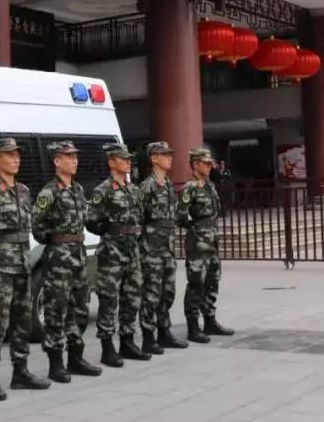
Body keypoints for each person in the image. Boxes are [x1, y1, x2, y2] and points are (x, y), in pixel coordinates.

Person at [0, 137, 50, 400]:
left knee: (23, 321)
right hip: (1, 269)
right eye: (10, 155)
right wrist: (1, 251)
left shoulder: (24, 191)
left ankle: (21, 372)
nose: (16, 159)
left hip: (23, 265)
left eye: (17, 155)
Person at [32, 141, 102, 382]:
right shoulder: (49, 192)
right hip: (59, 257)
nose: (74, 161)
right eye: (68, 157)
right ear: (56, 161)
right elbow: (37, 227)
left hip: (78, 255)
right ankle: (55, 363)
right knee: (56, 309)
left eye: (75, 157)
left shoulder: (78, 189)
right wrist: (57, 241)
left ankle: (76, 357)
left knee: (79, 307)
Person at [85, 142, 150, 367]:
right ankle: (107, 348)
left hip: (132, 251)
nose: (128, 162)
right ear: (112, 162)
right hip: (112, 252)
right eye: (123, 159)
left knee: (132, 298)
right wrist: (109, 230)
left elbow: (141, 217)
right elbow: (91, 220)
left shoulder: (134, 190)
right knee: (109, 300)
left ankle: (127, 342)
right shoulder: (102, 190)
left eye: (129, 159)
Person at [178, 147, 234, 343]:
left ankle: (210, 321)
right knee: (196, 283)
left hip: (212, 242)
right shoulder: (190, 188)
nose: (210, 166)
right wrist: (196, 229)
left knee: (212, 281)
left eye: (211, 163)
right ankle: (193, 327)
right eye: (206, 163)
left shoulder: (209, 185)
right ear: (195, 164)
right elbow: (180, 216)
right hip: (198, 244)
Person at [138, 141, 188, 354]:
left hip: (167, 247)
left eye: (170, 154)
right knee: (151, 294)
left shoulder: (167, 184)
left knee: (168, 292)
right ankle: (148, 337)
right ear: (154, 158)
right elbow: (138, 218)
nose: (170, 158)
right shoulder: (147, 186)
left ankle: (164, 332)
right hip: (151, 249)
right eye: (165, 155)